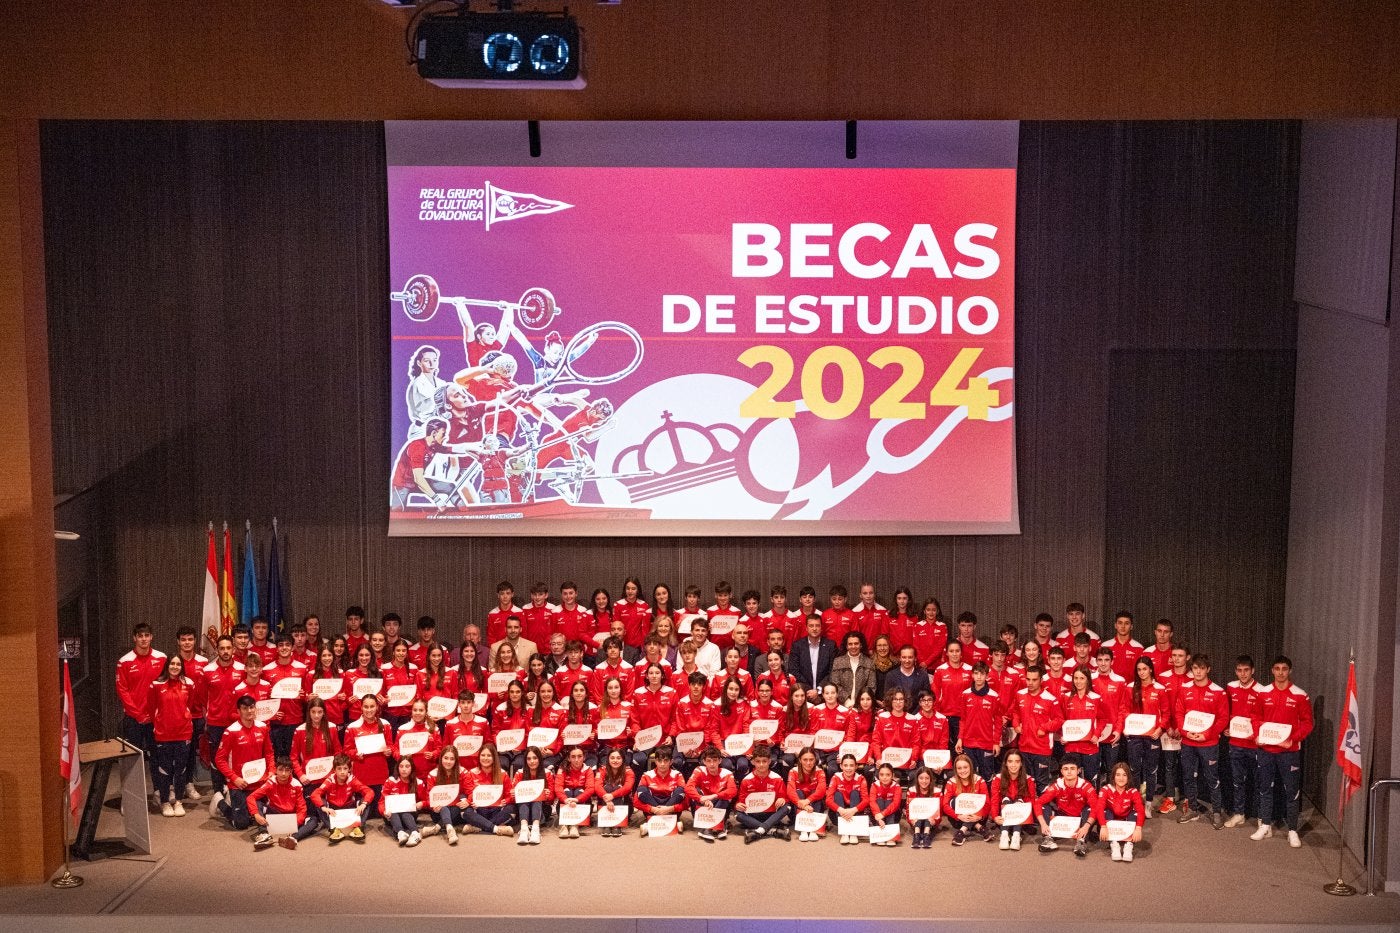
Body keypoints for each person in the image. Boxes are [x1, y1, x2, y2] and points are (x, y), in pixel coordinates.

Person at [1250, 655, 1314, 848]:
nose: (1280, 672)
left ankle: (1293, 830)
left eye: (1284, 669)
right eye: (1277, 668)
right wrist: (1256, 735)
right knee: (1265, 788)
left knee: (1292, 791)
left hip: (1289, 751)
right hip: (1266, 750)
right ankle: (1266, 825)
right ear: (1272, 670)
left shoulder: (1300, 695)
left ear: (1290, 671)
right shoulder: (1263, 693)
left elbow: (1308, 723)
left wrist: (1292, 739)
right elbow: (1255, 717)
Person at [1174, 653, 1228, 828]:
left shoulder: (1219, 692)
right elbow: (1179, 713)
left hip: (1208, 743)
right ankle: (1192, 810)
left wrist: (1207, 734)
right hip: (1188, 742)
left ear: (1208, 669)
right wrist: (1185, 732)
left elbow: (1223, 719)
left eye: (1202, 668)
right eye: (1195, 668)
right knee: (1188, 777)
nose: (1198, 671)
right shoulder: (1184, 689)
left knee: (1212, 778)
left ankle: (1217, 811)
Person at [116, 621, 166, 803]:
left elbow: (165, 687)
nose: (144, 639)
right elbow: (122, 691)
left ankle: (159, 793)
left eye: (147, 636)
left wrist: (153, 714)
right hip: (133, 719)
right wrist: (138, 714)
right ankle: (129, 799)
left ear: (151, 637)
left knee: (158, 758)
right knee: (132, 760)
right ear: (134, 638)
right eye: (140, 636)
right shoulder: (125, 661)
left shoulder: (162, 658)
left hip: (156, 719)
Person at [211, 695, 274, 830]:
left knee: (265, 817)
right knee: (241, 824)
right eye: (245, 708)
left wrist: (271, 771)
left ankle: (246, 808)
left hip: (259, 782)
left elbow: (269, 753)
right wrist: (235, 779)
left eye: (251, 707)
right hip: (239, 784)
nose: (249, 711)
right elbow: (219, 760)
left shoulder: (263, 727)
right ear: (238, 712)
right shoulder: (231, 732)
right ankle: (220, 802)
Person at [147, 654, 194, 817]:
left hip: (184, 733)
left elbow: (190, 705)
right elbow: (152, 708)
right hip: (163, 734)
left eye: (178, 664)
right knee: (165, 770)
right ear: (167, 666)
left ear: (182, 667)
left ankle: (179, 801)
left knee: (181, 770)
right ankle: (165, 802)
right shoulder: (156, 684)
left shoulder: (189, 684)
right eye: (172, 664)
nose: (175, 667)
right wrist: (160, 724)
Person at [202, 635, 246, 800]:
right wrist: (207, 719)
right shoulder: (207, 671)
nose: (226, 651)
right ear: (217, 650)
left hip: (237, 723)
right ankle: (218, 792)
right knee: (216, 759)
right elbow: (202, 698)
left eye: (229, 648)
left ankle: (233, 790)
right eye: (222, 648)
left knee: (236, 758)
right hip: (215, 723)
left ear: (233, 649)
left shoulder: (242, 669)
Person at [291, 697, 340, 839]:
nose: (317, 715)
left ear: (324, 712)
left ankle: (330, 826)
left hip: (328, 779)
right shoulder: (299, 730)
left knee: (326, 808)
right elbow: (293, 757)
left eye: (320, 712)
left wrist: (334, 774)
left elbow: (337, 752)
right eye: (313, 712)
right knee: (316, 811)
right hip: (309, 781)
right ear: (309, 712)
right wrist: (300, 775)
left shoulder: (331, 727)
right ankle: (333, 828)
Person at [1126, 658, 1168, 817]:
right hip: (1135, 736)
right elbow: (1124, 710)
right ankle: (1136, 803)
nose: (1142, 672)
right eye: (1139, 669)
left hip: (1152, 737)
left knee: (1151, 771)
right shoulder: (1130, 688)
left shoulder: (1160, 689)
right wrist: (1126, 727)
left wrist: (1160, 728)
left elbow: (1166, 713)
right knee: (1135, 770)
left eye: (1144, 669)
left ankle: (1148, 804)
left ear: (1151, 669)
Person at [1223, 654, 1262, 828]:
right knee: (1237, 781)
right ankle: (1239, 813)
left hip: (1255, 745)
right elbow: (1225, 711)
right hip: (1235, 744)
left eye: (1246, 670)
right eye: (1239, 670)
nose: (1243, 674)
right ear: (1236, 671)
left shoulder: (1262, 690)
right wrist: (1226, 727)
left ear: (1252, 671)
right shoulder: (1230, 687)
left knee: (1259, 781)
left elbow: (1263, 717)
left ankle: (1262, 817)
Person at [1012, 666, 1064, 792]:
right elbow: (1015, 712)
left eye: (1034, 680)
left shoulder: (1050, 699)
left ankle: (1043, 810)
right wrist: (1016, 724)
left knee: (1042, 784)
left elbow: (1059, 720)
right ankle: (1028, 809)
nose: (1030, 683)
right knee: (1025, 783)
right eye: (1028, 679)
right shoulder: (1020, 695)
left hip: (1042, 749)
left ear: (1041, 680)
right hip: (1024, 747)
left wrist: (1044, 728)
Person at [248, 756, 316, 850]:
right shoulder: (270, 783)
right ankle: (264, 835)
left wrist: (294, 823)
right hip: (275, 814)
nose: (283, 773)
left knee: (313, 820)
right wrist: (255, 814)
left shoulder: (296, 785)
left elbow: (302, 808)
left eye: (287, 770)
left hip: (291, 817)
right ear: (276, 770)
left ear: (291, 771)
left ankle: (293, 838)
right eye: (280, 770)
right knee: (258, 803)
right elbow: (251, 797)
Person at [172, 625, 208, 803]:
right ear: (178, 642)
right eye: (183, 639)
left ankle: (189, 784)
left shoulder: (203, 662)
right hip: (177, 718)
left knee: (191, 751)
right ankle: (173, 785)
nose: (187, 643)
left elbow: (207, 690)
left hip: (197, 716)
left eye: (190, 639)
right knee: (177, 753)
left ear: (195, 641)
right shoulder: (174, 662)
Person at [1035, 758, 1099, 857]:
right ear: (1061, 771)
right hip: (1063, 816)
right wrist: (1043, 824)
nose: (1069, 771)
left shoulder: (1086, 786)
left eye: (1072, 768)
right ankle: (1048, 839)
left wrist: (1086, 826)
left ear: (1078, 771)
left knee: (1089, 808)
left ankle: (1081, 842)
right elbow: (1038, 803)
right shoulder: (1057, 785)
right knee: (1044, 805)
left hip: (1080, 819)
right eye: (1065, 769)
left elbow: (1096, 807)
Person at [342, 694, 394, 812]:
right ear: (361, 707)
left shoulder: (385, 724)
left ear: (377, 707)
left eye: (372, 706)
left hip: (380, 774)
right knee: (364, 812)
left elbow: (391, 745)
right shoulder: (352, 727)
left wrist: (388, 751)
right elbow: (346, 751)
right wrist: (355, 754)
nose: (369, 710)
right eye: (366, 707)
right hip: (361, 775)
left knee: (379, 812)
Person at [309, 754, 374, 843]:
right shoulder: (330, 780)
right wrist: (323, 807)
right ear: (334, 770)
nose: (342, 772)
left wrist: (363, 804)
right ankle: (333, 830)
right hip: (333, 809)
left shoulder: (352, 779)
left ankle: (357, 828)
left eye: (345, 768)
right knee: (319, 803)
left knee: (366, 802)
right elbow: (314, 794)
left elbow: (369, 792)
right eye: (339, 769)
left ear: (349, 769)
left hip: (349, 807)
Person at [955, 662, 1003, 783]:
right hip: (969, 742)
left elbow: (998, 722)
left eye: (982, 674)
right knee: (969, 775)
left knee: (987, 776)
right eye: (976, 673)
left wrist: (996, 742)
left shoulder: (994, 696)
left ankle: (987, 801)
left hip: (986, 743)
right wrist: (960, 738)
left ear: (987, 676)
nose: (979, 677)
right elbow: (963, 719)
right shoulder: (965, 694)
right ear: (972, 675)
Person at [1060, 667, 1108, 785]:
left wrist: (1097, 735)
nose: (1078, 681)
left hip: (1090, 746)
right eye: (1075, 678)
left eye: (1082, 678)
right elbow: (1060, 720)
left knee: (1091, 781)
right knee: (1071, 781)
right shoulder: (1066, 697)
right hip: (1071, 746)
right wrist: (1062, 735)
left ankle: (1092, 804)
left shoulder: (1096, 698)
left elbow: (1103, 719)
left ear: (1088, 680)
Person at [733, 743, 790, 844]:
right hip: (754, 814)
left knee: (787, 807)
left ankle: (759, 830)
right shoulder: (746, 780)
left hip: (771, 813)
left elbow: (784, 797)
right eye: (758, 761)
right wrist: (738, 805)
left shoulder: (777, 778)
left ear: (769, 761)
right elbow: (740, 802)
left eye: (764, 761)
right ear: (753, 762)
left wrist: (782, 799)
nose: (761, 764)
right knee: (738, 815)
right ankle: (771, 830)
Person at [264, 633, 307, 758]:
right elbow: (263, 697)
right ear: (276, 648)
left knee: (294, 758)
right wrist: (270, 715)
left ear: (293, 647)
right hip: (275, 722)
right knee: (276, 757)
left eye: (287, 645)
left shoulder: (302, 668)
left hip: (296, 720)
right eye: (281, 645)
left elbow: (308, 696)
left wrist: (303, 695)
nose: (284, 648)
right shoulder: (267, 670)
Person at [685, 746, 737, 842]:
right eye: (708, 761)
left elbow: (733, 790)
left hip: (718, 803)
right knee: (695, 790)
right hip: (702, 804)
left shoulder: (727, 773)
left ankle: (714, 827)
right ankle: (713, 827)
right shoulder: (699, 770)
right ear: (704, 762)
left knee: (726, 795)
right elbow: (688, 787)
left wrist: (715, 795)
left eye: (715, 760)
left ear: (720, 761)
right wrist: (702, 799)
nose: (712, 764)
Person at [990, 749, 1038, 851]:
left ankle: (1016, 835)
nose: (1013, 765)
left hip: (1021, 815)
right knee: (1006, 800)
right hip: (1003, 814)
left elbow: (1031, 801)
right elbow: (994, 799)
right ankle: (1004, 835)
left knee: (1018, 800)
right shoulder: (997, 779)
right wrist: (994, 817)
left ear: (1021, 764)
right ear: (1006, 763)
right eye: (1010, 761)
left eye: (1017, 761)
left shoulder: (1028, 779)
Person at [466, 744, 517, 837]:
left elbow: (509, 795)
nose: (485, 758)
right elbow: (469, 793)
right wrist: (472, 801)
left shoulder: (503, 774)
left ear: (494, 758)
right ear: (479, 757)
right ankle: (496, 828)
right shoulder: (471, 773)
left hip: (497, 810)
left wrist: (506, 801)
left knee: (511, 809)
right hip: (479, 809)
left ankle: (479, 826)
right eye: (483, 755)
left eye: (489, 755)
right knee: (466, 812)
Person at [1100, 760, 1145, 862]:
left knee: (1135, 813)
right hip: (1110, 819)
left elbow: (1141, 810)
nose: (1121, 778)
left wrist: (1138, 828)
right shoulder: (1106, 789)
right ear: (1113, 777)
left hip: (1126, 819)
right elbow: (1099, 808)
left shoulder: (1133, 791)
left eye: (1124, 775)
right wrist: (1103, 826)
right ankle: (1114, 844)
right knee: (1106, 812)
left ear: (1128, 777)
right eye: (1118, 775)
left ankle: (1129, 845)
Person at [942, 753, 991, 845]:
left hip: (978, 817)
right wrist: (958, 816)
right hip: (958, 819)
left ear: (970, 767)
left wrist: (980, 816)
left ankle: (962, 831)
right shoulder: (951, 782)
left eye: (965, 767)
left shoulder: (980, 780)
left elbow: (987, 803)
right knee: (955, 800)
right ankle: (979, 827)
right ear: (955, 770)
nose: (962, 771)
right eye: (959, 768)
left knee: (978, 800)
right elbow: (945, 805)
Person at [634, 751, 687, 836]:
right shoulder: (647, 775)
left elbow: (686, 801)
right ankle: (673, 824)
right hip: (653, 808)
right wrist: (653, 809)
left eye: (666, 761)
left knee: (681, 791)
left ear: (671, 762)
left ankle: (649, 825)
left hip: (671, 807)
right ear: (655, 761)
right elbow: (636, 801)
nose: (662, 764)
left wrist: (669, 808)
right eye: (659, 761)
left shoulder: (677, 774)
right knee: (641, 790)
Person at [380, 755, 428, 846]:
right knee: (393, 811)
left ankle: (415, 833)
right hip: (391, 816)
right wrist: (384, 811)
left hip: (410, 815)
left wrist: (422, 803)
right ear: (397, 768)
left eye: (407, 766)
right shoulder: (390, 781)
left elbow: (427, 800)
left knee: (405, 813)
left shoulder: (419, 783)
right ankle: (401, 833)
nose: (404, 769)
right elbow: (381, 802)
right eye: (401, 766)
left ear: (412, 768)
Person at [932, 641, 973, 748]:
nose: (954, 654)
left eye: (957, 651)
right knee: (946, 748)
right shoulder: (940, 670)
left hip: (963, 717)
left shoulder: (970, 670)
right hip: (945, 716)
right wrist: (937, 715)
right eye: (951, 651)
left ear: (961, 653)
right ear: (947, 653)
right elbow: (935, 695)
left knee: (962, 748)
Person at [426, 745, 469, 845]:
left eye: (452, 759)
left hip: (456, 809)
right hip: (438, 812)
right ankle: (449, 827)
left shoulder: (463, 772)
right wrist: (433, 806)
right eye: (446, 758)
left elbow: (470, 791)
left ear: (456, 760)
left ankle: (439, 828)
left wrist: (468, 801)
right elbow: (429, 797)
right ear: (441, 758)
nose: (448, 762)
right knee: (444, 807)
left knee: (458, 807)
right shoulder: (432, 774)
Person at [714, 677, 754, 784]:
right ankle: (729, 790)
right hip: (724, 745)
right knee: (726, 765)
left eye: (736, 690)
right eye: (731, 689)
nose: (733, 692)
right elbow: (714, 730)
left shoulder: (744, 704)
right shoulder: (717, 705)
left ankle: (740, 789)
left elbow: (746, 726)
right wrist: (720, 748)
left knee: (743, 765)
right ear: (726, 688)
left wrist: (748, 749)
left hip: (740, 744)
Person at [513, 746, 554, 844]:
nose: (532, 761)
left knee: (537, 797)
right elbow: (512, 798)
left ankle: (535, 830)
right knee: (523, 798)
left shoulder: (547, 773)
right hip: (523, 810)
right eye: (529, 758)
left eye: (535, 758)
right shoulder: (519, 773)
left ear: (539, 759)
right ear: (525, 760)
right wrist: (514, 794)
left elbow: (552, 798)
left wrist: (547, 795)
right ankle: (524, 830)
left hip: (542, 810)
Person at [552, 745, 594, 839]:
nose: (576, 759)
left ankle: (575, 825)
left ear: (584, 757)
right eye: (573, 757)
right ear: (569, 758)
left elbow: (590, 789)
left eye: (579, 756)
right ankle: (565, 825)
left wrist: (577, 799)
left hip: (582, 803)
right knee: (567, 791)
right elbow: (558, 787)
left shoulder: (588, 770)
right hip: (566, 801)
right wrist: (565, 799)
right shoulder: (562, 769)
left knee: (579, 791)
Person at [787, 614, 837, 694]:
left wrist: (818, 691)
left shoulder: (830, 646)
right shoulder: (797, 646)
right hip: (803, 693)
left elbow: (832, 671)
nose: (814, 629)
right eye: (811, 626)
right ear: (806, 628)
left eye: (817, 625)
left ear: (821, 628)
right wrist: (809, 691)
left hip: (824, 694)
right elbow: (794, 670)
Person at [786, 746, 827, 842]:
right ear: (800, 760)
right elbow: (790, 791)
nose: (808, 763)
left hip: (814, 807)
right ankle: (804, 829)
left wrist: (808, 801)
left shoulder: (820, 771)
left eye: (811, 759)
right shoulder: (793, 771)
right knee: (798, 792)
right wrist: (803, 805)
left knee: (815, 793)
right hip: (798, 808)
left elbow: (822, 790)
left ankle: (812, 829)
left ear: (815, 760)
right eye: (805, 759)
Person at [827, 752, 868, 845]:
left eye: (851, 765)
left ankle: (853, 832)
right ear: (841, 766)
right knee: (837, 794)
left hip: (855, 812)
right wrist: (841, 810)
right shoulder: (836, 777)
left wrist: (853, 810)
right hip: (839, 813)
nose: (848, 768)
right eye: (845, 765)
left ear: (856, 766)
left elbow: (866, 800)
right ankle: (844, 832)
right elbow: (828, 799)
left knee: (854, 793)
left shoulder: (861, 778)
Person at [826, 631, 875, 706]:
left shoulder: (869, 663)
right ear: (846, 646)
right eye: (850, 644)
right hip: (842, 705)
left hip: (863, 706)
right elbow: (835, 685)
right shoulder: (838, 661)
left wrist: (862, 702)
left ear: (861, 645)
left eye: (856, 643)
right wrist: (847, 701)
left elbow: (871, 687)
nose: (853, 646)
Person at [596, 748, 636, 837]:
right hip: (605, 803)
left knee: (617, 787)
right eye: (612, 758)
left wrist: (612, 795)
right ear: (608, 759)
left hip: (625, 806)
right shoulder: (602, 770)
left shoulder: (629, 771)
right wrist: (608, 799)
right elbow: (597, 786)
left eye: (618, 758)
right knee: (608, 787)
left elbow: (627, 788)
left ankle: (617, 825)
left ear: (623, 759)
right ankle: (607, 823)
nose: (615, 760)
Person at [867, 762, 903, 846]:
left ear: (892, 775)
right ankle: (880, 833)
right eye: (882, 774)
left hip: (892, 815)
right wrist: (879, 818)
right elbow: (872, 802)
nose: (884, 777)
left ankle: (891, 836)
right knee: (879, 800)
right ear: (878, 775)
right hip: (877, 816)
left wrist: (882, 814)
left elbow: (896, 804)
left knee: (889, 801)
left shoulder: (897, 787)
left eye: (888, 774)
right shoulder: (874, 785)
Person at [908, 599, 949, 670]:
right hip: (920, 666)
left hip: (937, 666)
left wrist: (927, 663)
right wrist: (922, 662)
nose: (931, 612)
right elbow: (916, 646)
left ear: (937, 611)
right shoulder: (918, 626)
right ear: (924, 611)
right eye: (928, 610)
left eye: (934, 610)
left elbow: (940, 648)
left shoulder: (942, 626)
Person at [905, 765, 940, 849]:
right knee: (919, 815)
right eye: (921, 778)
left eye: (927, 778)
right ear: (917, 779)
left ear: (931, 779)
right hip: (916, 821)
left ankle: (926, 835)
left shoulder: (937, 791)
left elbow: (939, 812)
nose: (924, 781)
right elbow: (908, 811)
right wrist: (911, 820)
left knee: (928, 816)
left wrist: (935, 820)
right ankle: (916, 835)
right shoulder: (911, 791)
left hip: (930, 821)